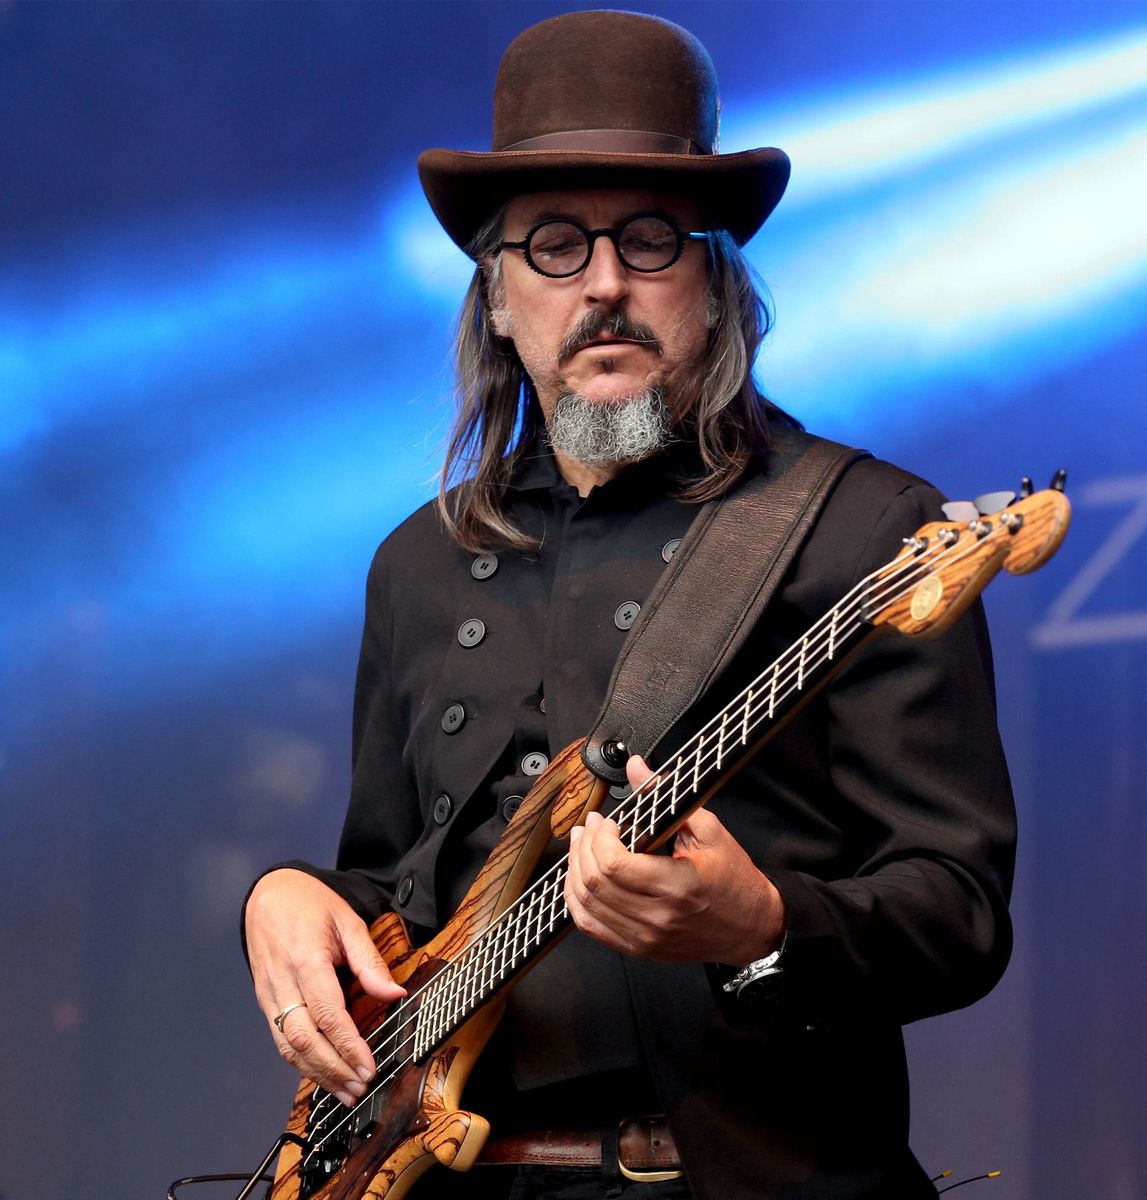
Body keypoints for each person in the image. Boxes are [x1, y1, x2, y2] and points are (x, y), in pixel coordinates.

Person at [243, 12, 1016, 1200]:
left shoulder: (865, 530)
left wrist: (762, 924)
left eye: (650, 240)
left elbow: (957, 913)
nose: (604, 283)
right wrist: (288, 897)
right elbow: (398, 886)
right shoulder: (418, 565)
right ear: (499, 297)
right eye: (555, 245)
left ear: (713, 282)